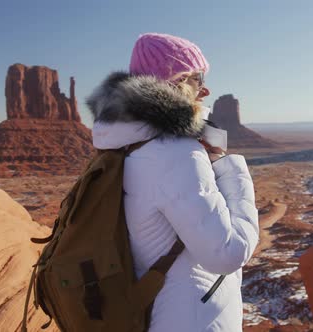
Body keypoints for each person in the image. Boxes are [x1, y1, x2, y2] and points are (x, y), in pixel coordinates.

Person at [86, 32, 259, 332]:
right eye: (197, 77)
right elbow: (228, 253)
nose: (205, 90)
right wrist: (229, 167)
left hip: (163, 311)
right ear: (173, 82)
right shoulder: (177, 155)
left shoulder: (127, 145)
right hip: (193, 318)